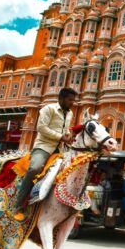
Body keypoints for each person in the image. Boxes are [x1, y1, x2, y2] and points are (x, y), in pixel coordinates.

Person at [12, 88, 77, 221]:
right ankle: (18, 206)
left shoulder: (69, 113)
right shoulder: (48, 109)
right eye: (70, 100)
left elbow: (64, 132)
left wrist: (68, 138)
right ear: (61, 98)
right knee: (35, 168)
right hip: (44, 147)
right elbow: (41, 127)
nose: (72, 103)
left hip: (60, 149)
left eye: (73, 100)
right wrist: (60, 137)